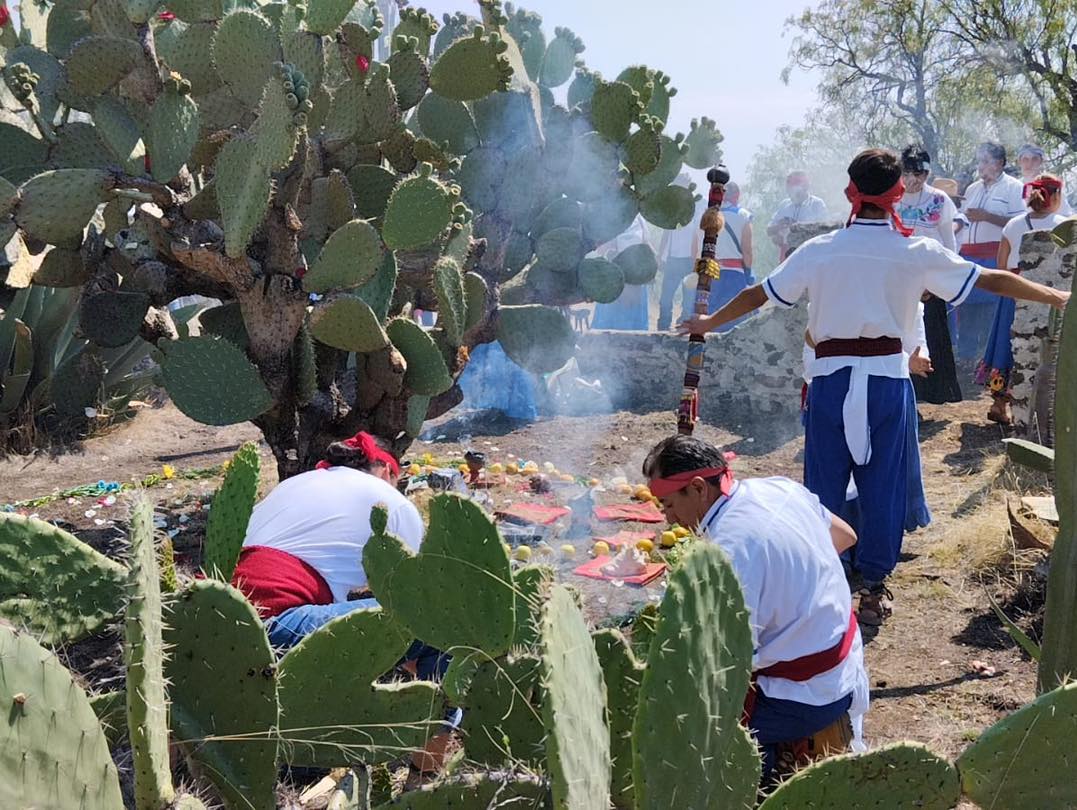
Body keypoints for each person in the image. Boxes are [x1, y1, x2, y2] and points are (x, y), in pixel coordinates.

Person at [680, 148, 1069, 625]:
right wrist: (1057, 294)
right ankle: (873, 588)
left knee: (822, 485)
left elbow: (757, 293)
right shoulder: (915, 252)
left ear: (851, 191)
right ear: (898, 194)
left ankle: (826, 579)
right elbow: (990, 278)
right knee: (883, 485)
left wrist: (708, 321)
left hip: (829, 383)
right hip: (887, 384)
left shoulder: (820, 251)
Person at [642, 435, 867, 783]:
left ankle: (756, 788)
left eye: (669, 505)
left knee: (686, 730)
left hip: (805, 696)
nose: (669, 520)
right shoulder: (779, 488)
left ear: (699, 488)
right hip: (847, 661)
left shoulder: (728, 551)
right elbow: (845, 535)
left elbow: (726, 665)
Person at [231, 431, 444, 674]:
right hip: (274, 626)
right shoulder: (391, 502)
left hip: (205, 619)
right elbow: (409, 595)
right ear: (387, 471)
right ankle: (443, 711)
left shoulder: (295, 484)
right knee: (438, 614)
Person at [976, 174, 1071, 424]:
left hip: (1013, 292)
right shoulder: (1065, 225)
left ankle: (999, 404)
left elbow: (1001, 266)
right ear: (1056, 197)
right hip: (1052, 295)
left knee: (1005, 348)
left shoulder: (1013, 225)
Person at [896, 145, 962, 404]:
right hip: (900, 279)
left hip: (932, 279)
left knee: (934, 335)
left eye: (919, 174)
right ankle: (909, 395)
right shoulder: (892, 200)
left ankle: (938, 392)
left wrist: (945, 279)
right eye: (907, 173)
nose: (913, 180)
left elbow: (949, 242)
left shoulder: (939, 199)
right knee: (904, 337)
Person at [954, 143, 1027, 360]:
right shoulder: (973, 189)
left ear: (1000, 163)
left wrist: (987, 217)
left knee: (990, 308)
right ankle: (966, 356)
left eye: (987, 161)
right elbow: (963, 218)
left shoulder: (1014, 187)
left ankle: (987, 358)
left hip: (995, 254)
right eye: (980, 161)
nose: (982, 166)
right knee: (967, 305)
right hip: (969, 255)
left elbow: (1018, 221)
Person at [680, 180, 754, 332]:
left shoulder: (703, 216)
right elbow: (747, 253)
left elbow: (694, 253)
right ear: (737, 196)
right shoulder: (744, 216)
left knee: (703, 321)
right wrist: (748, 273)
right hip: (733, 276)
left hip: (705, 277)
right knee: (732, 325)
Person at [657, 175, 704, 331]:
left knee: (688, 298)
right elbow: (666, 232)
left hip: (688, 260)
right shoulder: (671, 207)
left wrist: (694, 261)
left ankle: (684, 325)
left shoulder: (696, 208)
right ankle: (663, 325)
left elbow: (697, 235)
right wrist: (660, 255)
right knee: (666, 297)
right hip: (672, 259)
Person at [591, 215, 652, 330]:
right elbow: (601, 248)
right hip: (617, 275)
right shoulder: (616, 218)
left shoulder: (638, 220)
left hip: (634, 275)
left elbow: (645, 243)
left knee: (630, 318)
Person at [767, 171, 829, 261]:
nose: (790, 193)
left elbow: (826, 230)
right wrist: (779, 228)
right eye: (788, 189)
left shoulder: (816, 204)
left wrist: (797, 227)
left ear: (805, 188)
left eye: (793, 190)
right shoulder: (784, 205)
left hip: (810, 254)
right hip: (786, 257)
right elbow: (769, 230)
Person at [1017, 144, 1072, 215]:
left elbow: (1065, 214)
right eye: (1025, 159)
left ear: (1041, 161)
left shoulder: (1052, 185)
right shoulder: (1015, 186)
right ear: (1019, 162)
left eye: (1034, 159)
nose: (1029, 163)